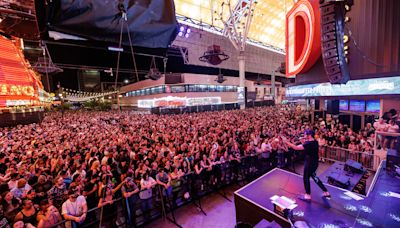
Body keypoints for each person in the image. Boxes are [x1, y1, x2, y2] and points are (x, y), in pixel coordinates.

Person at [284, 130, 331, 201]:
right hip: (315, 163)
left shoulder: (308, 143)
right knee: (314, 177)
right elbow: (307, 147)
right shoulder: (315, 141)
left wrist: (286, 142)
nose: (304, 135)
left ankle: (307, 195)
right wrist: (303, 141)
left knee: (306, 178)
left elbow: (296, 148)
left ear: (309, 135)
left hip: (309, 163)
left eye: (305, 134)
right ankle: (326, 192)